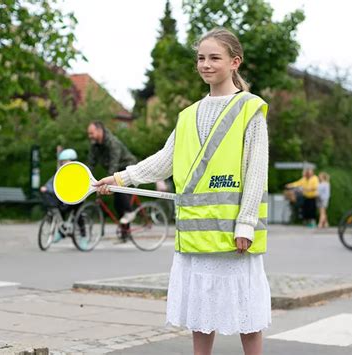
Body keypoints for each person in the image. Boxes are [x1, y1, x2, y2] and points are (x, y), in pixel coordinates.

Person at [95, 28, 270, 355]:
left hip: (234, 232)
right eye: (201, 58)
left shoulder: (250, 109)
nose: (205, 64)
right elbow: (166, 160)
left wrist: (246, 223)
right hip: (194, 231)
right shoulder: (188, 115)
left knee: (247, 308)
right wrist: (119, 178)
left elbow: (256, 170)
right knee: (201, 311)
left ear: (235, 62)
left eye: (214, 58)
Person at [87, 121, 138, 242]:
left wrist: (109, 180)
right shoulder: (95, 146)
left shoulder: (112, 142)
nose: (90, 136)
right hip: (116, 171)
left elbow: (113, 164)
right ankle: (125, 234)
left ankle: (130, 212)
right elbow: (91, 164)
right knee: (117, 204)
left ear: (100, 131)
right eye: (88, 134)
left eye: (92, 133)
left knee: (119, 191)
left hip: (127, 168)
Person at [40, 148, 84, 241]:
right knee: (60, 209)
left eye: (65, 161)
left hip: (77, 198)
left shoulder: (78, 172)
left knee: (78, 213)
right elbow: (53, 181)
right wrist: (46, 188)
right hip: (65, 197)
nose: (63, 163)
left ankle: (83, 235)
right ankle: (61, 232)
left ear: (72, 161)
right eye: (62, 162)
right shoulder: (61, 172)